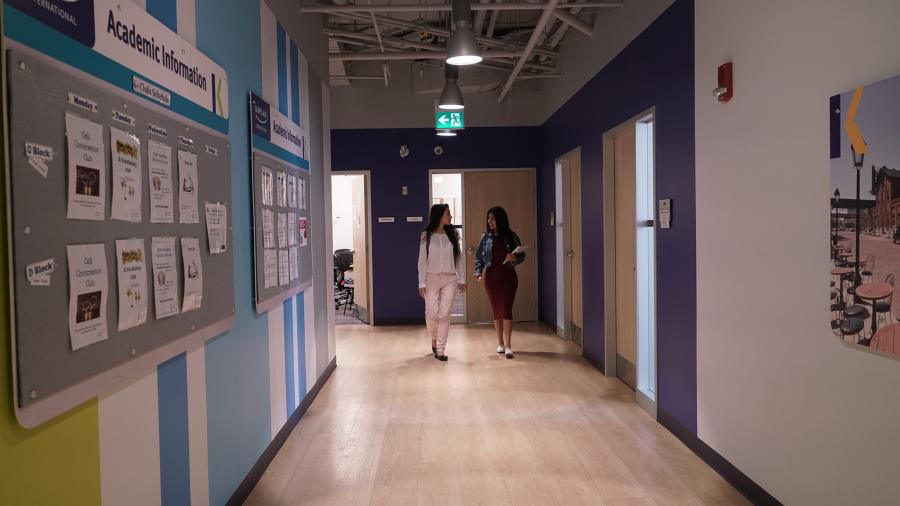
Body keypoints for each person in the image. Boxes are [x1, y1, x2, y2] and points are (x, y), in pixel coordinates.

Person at [474, 207, 525, 359]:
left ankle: (508, 346)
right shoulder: (485, 238)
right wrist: (478, 272)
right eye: (488, 218)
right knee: (497, 310)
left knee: (506, 309)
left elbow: (521, 255)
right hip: (491, 279)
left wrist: (514, 258)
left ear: (500, 220)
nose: (489, 221)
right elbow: (479, 257)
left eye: (492, 218)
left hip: (508, 277)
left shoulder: (511, 236)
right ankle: (500, 343)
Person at [418, 204, 466, 361]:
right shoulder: (426, 235)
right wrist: (421, 282)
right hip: (431, 278)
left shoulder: (453, 234)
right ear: (439, 216)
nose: (450, 216)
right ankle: (434, 337)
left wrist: (462, 279)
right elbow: (422, 260)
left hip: (450, 279)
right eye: (448, 214)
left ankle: (440, 349)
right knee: (432, 314)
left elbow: (458, 258)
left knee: (444, 314)